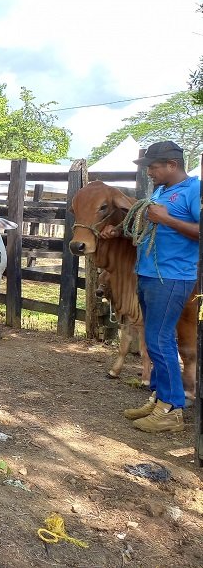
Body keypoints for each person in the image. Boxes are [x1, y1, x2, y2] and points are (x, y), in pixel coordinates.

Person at [108, 141, 200, 433]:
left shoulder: (194, 190)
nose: (149, 172)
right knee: (156, 340)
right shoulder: (161, 192)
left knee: (159, 341)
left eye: (154, 167)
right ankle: (160, 399)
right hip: (149, 274)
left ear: (172, 165)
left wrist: (167, 219)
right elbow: (150, 227)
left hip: (172, 277)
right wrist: (119, 231)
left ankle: (171, 409)